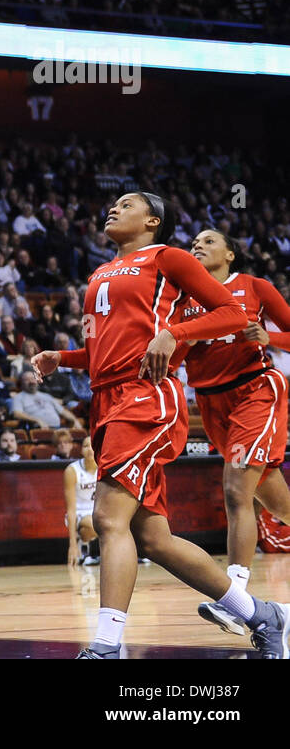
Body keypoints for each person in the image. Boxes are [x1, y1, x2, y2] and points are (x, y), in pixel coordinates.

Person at [34, 191, 286, 658]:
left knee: (108, 518)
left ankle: (107, 645)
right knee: (153, 538)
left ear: (152, 221)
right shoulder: (98, 273)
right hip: (105, 400)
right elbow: (105, 350)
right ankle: (262, 616)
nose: (113, 207)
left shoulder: (166, 257)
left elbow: (230, 312)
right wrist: (64, 358)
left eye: (127, 204)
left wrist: (176, 332)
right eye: (112, 203)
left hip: (145, 397)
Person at [183, 228, 290, 636]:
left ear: (229, 254)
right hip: (210, 401)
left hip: (255, 390)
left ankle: (236, 599)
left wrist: (271, 337)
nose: (197, 245)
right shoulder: (183, 297)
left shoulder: (254, 286)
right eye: (193, 242)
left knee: (234, 489)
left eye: (208, 241)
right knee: (273, 498)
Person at [65, 436, 99, 566]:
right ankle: (79, 544)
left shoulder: (104, 468)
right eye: (85, 446)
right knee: (95, 523)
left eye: (92, 446)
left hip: (97, 511)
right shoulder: (72, 470)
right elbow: (71, 509)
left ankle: (87, 548)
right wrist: (72, 545)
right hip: (79, 513)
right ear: (81, 450)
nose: (90, 449)